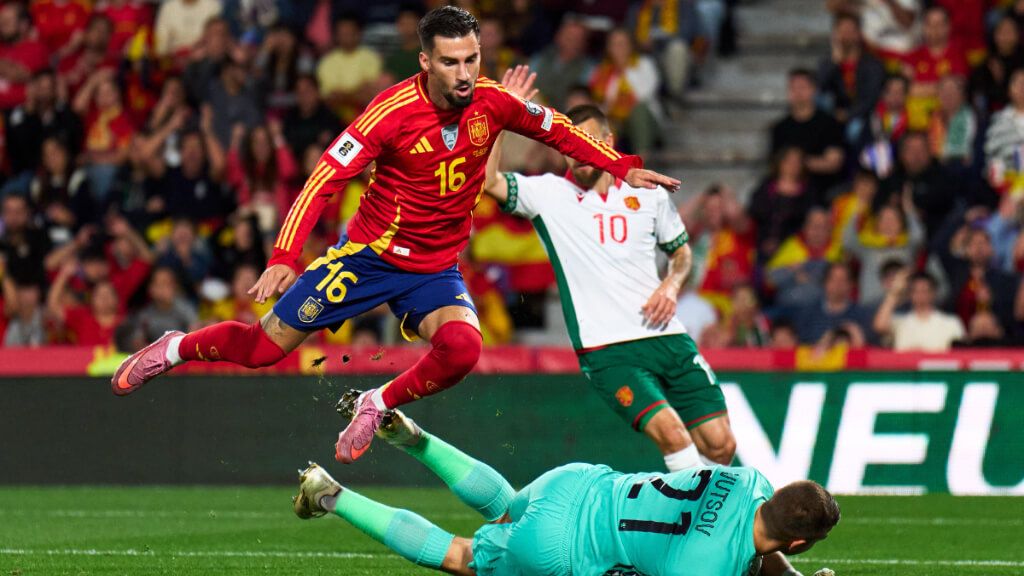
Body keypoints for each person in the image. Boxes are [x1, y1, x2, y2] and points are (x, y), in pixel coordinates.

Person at [111, 8, 680, 469]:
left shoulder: (492, 102)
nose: (463, 73)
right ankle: (175, 347)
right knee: (263, 350)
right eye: (451, 62)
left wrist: (623, 165)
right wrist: (285, 254)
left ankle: (374, 402)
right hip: (369, 258)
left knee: (462, 349)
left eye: (472, 59)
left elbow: (558, 128)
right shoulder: (390, 113)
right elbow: (324, 178)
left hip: (436, 269)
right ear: (425, 61)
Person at [293, 406, 840, 576]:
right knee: (462, 555)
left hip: (578, 482)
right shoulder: (707, 568)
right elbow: (747, 554)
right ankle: (331, 495)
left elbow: (761, 534)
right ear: (797, 545)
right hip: (567, 548)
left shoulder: (749, 480)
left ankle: (415, 437)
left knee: (506, 504)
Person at [484, 99, 734, 470]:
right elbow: (488, 181)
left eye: (587, 142)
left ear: (609, 141)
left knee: (720, 445)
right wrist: (501, 119)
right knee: (674, 437)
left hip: (666, 335)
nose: (578, 154)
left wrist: (671, 285)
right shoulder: (548, 194)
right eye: (569, 145)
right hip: (607, 348)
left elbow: (680, 253)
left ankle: (703, 514)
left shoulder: (649, 192)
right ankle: (700, 525)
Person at [873, 269, 964, 351]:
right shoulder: (901, 322)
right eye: (915, 291)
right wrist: (894, 292)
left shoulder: (951, 322)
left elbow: (960, 354)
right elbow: (879, 326)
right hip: (905, 368)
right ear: (909, 294)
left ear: (934, 293)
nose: (920, 295)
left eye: (924, 290)